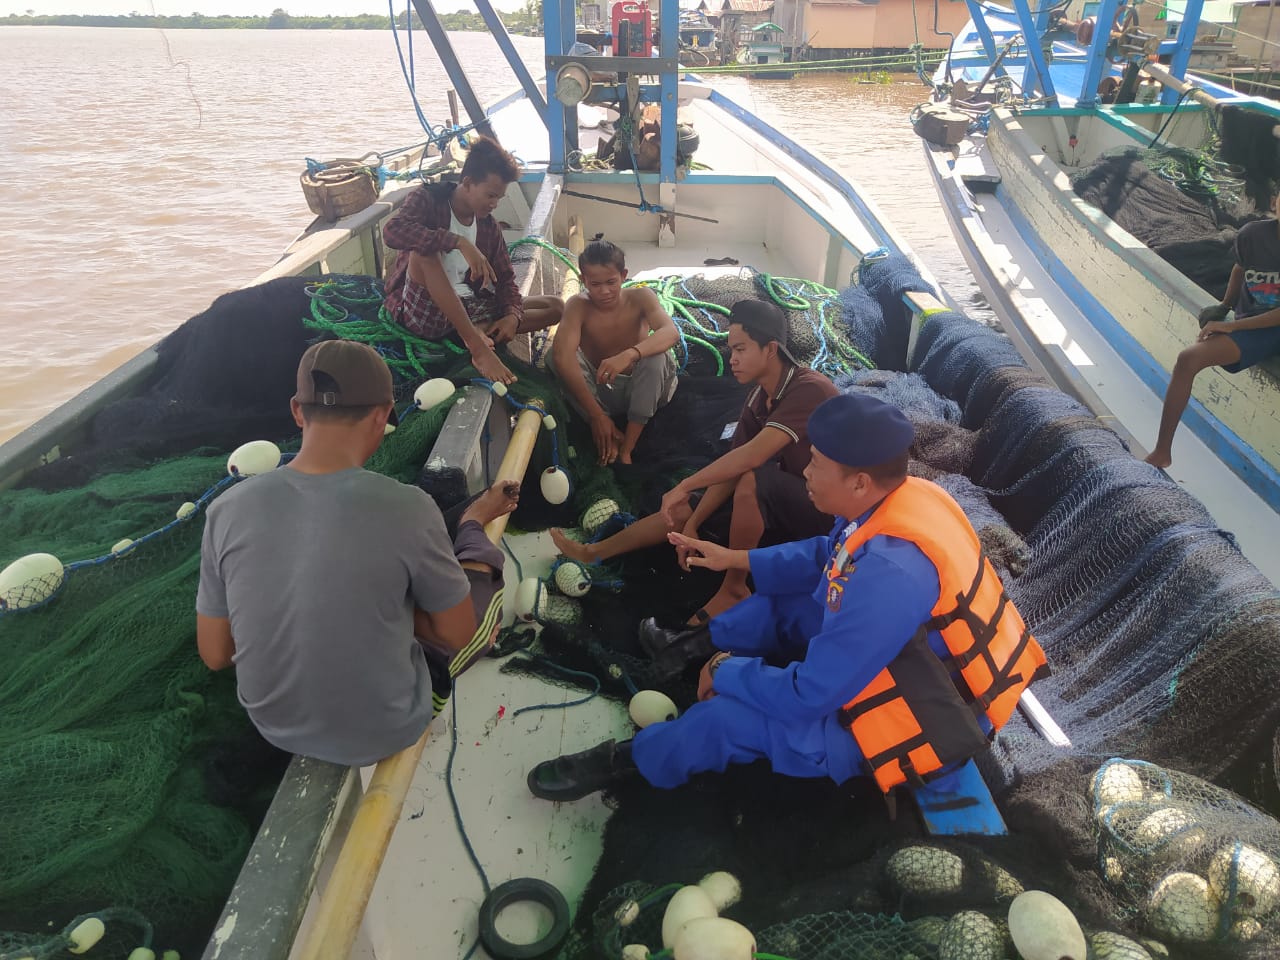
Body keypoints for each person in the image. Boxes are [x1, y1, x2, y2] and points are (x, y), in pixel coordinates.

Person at [527, 394, 1049, 801]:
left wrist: (728, 671)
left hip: (922, 710)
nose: (805, 473)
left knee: (726, 721)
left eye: (816, 464)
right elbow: (829, 553)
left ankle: (627, 762)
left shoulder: (892, 574)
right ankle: (682, 648)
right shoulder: (906, 496)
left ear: (859, 483)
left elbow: (810, 694)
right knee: (779, 604)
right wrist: (736, 559)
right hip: (907, 653)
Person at [196, 339, 518, 767]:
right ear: (383, 414)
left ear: (297, 410)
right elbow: (457, 634)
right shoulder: (408, 506)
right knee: (479, 586)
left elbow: (216, 654)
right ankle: (474, 522)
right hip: (390, 727)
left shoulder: (225, 510)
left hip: (273, 725)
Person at [550, 299, 837, 623]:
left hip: (831, 516)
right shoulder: (758, 399)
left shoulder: (809, 389)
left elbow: (751, 457)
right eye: (731, 349)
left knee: (754, 479)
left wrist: (685, 484)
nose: (732, 358)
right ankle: (594, 552)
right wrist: (693, 523)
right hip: (794, 500)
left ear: (770, 349)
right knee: (684, 508)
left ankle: (734, 588)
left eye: (741, 349)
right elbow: (730, 468)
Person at [382, 135, 563, 386]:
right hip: (425, 311)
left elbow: (506, 280)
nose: (494, 204)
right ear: (467, 183)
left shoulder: (488, 227)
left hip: (470, 305)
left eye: (499, 198)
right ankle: (477, 346)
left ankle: (480, 328)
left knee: (556, 307)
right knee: (423, 254)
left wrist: (512, 316)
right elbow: (392, 232)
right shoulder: (428, 199)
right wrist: (458, 241)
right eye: (490, 195)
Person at [1146, 194, 1280, 469]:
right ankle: (1161, 453)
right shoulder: (1252, 235)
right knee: (1188, 359)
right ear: (1274, 203)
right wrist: (1224, 306)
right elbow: (1239, 269)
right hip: (1253, 323)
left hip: (1271, 327)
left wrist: (1230, 326)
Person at [549, 236, 680, 465]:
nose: (605, 291)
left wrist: (629, 355)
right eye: (595, 284)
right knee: (554, 356)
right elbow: (562, 356)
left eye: (611, 282)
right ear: (583, 280)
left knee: (657, 357)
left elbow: (671, 332)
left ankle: (627, 446)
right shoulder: (577, 306)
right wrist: (596, 415)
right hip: (602, 392)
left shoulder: (641, 297)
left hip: (644, 390)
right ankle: (607, 429)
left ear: (624, 275)